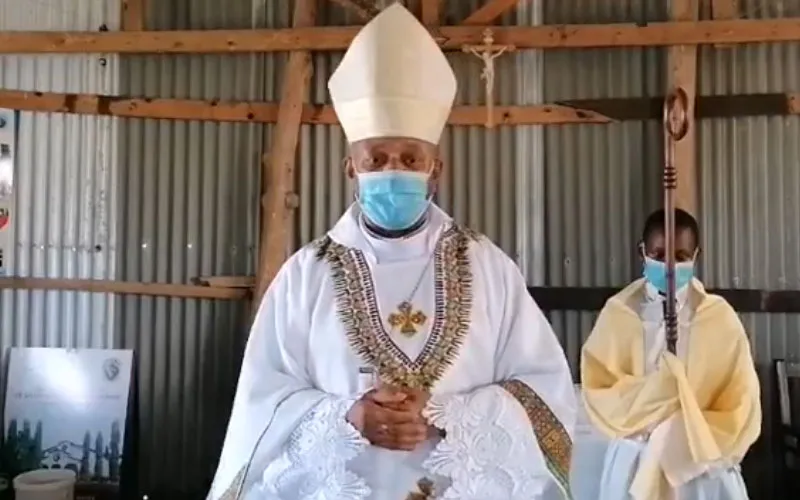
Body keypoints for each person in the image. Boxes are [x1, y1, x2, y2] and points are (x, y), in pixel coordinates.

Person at [206, 3, 576, 500]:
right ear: (350, 168)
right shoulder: (305, 276)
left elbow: (544, 391)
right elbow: (263, 399)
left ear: (435, 169)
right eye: (376, 158)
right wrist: (350, 416)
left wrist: (447, 414)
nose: (392, 169)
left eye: (410, 158)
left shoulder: (489, 268)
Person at [580, 208, 761, 500]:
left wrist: (683, 425)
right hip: (635, 461)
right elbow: (600, 389)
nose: (669, 266)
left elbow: (741, 399)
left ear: (696, 256)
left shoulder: (719, 318)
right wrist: (658, 397)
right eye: (659, 254)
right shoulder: (620, 314)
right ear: (642, 253)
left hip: (698, 464)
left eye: (681, 256)